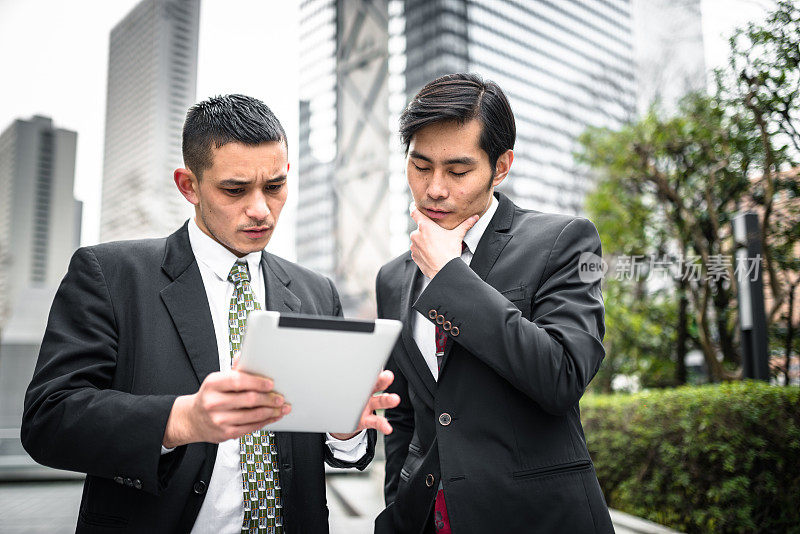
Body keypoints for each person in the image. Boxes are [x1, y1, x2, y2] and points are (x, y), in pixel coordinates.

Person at [21, 94, 399, 534]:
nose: (260, 209)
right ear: (189, 185)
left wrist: (346, 429)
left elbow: (337, 452)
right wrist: (181, 420)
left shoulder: (316, 292)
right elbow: (48, 419)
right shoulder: (110, 275)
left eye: (274, 186)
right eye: (235, 190)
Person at [374, 74, 614, 533]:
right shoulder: (393, 278)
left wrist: (450, 278)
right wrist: (398, 505)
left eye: (458, 171)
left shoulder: (565, 241)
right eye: (420, 166)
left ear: (500, 167)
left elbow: (561, 376)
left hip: (537, 518)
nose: (434, 189)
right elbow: (404, 415)